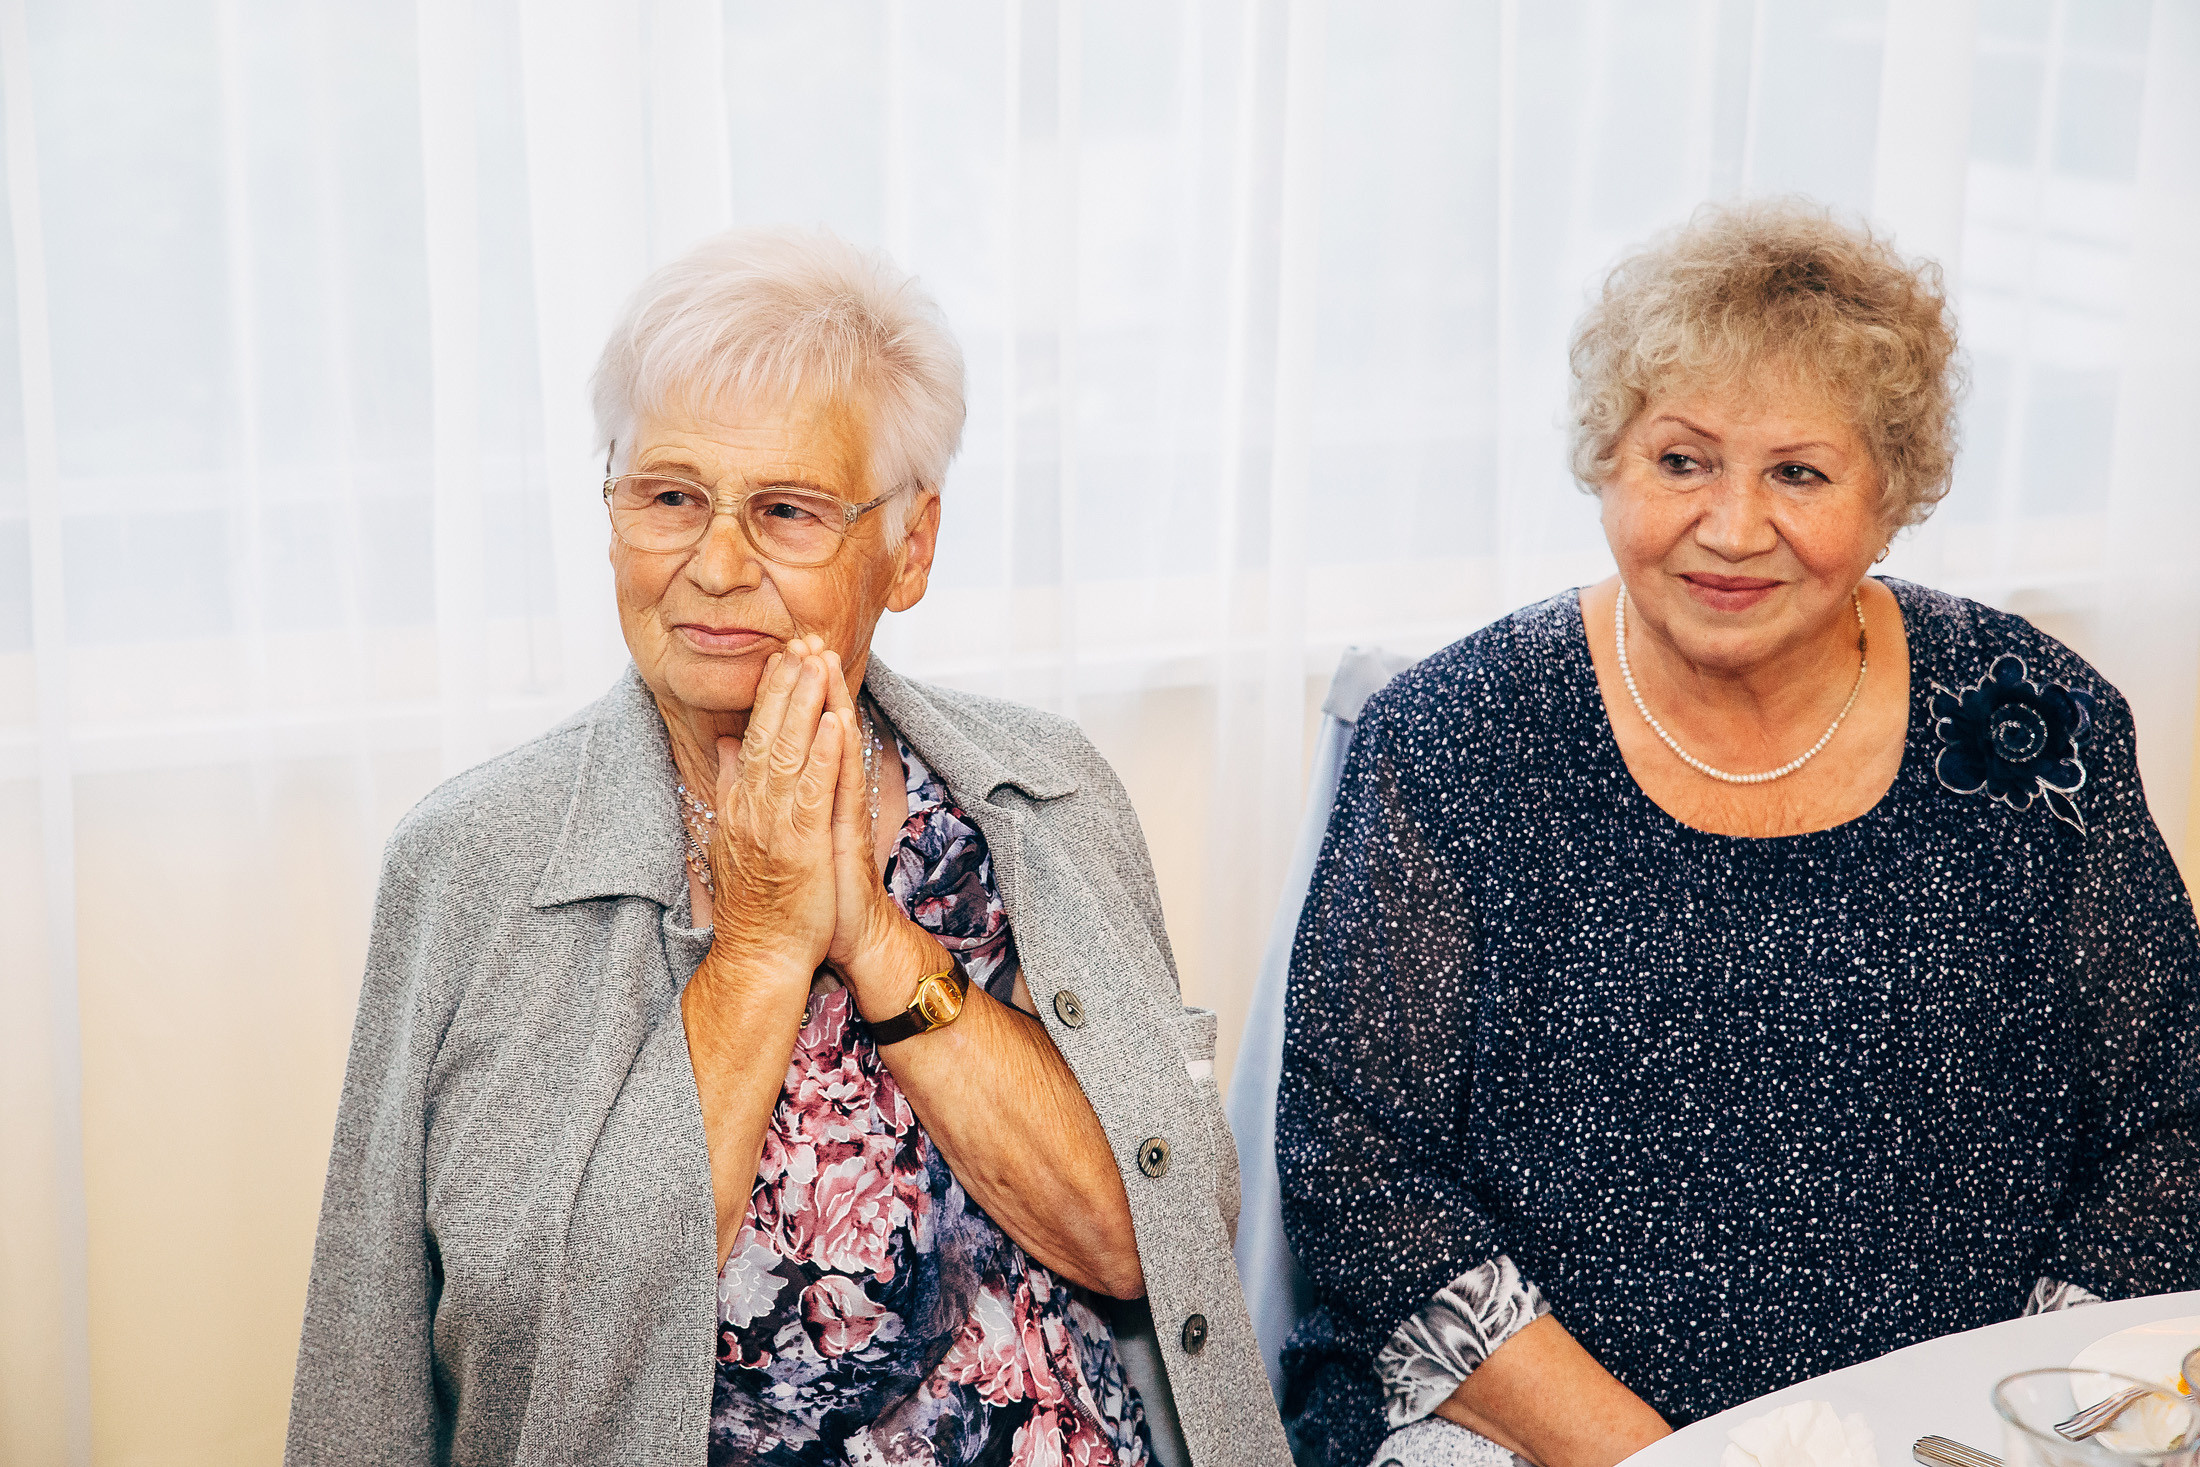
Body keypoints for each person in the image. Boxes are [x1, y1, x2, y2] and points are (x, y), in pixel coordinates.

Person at [286, 227, 1289, 1467]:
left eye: (786, 512)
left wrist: (867, 932)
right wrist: (762, 946)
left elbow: (1149, 1234)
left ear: (908, 549)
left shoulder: (1039, 799)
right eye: (668, 497)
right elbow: (503, 1353)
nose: (713, 565)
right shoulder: (475, 864)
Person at [1275, 199, 2200, 1467]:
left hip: (1980, 1425)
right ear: (1608, 460)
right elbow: (1358, 1171)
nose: (1731, 526)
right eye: (1681, 461)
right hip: (1539, 1430)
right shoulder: (1456, 737)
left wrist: (2029, 1420)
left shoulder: (2035, 723)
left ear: (1891, 499)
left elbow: (2168, 1125)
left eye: (1799, 474)